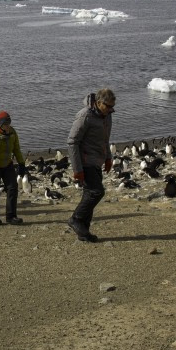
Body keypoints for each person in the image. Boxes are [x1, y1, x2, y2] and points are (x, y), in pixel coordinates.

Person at [67, 88, 116, 243]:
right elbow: (72, 142)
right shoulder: (85, 116)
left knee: (89, 193)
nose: (110, 110)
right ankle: (76, 218)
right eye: (107, 106)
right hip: (85, 160)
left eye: (112, 106)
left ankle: (84, 232)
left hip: (97, 160)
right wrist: (77, 169)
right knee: (96, 192)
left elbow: (105, 139)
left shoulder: (107, 116)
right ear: (98, 102)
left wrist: (108, 158)